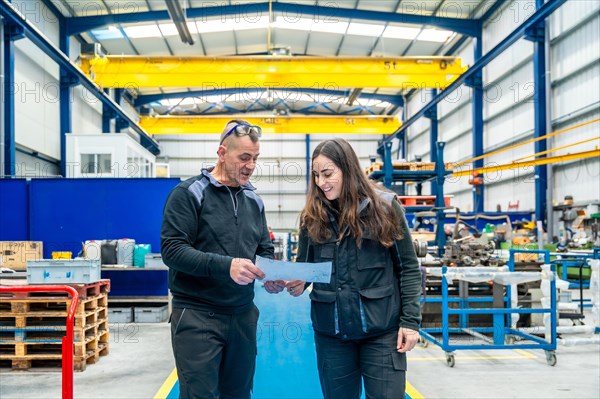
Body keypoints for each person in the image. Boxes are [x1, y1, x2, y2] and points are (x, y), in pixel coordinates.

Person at [285, 138, 422, 399]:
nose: (321, 183)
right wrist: (297, 281)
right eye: (316, 175)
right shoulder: (311, 217)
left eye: (328, 174)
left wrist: (410, 321)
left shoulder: (385, 208)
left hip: (382, 333)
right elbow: (306, 268)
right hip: (332, 334)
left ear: (347, 169)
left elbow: (408, 269)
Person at [160, 119, 284, 399]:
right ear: (222, 153)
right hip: (197, 315)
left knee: (238, 394)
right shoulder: (188, 194)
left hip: (242, 315)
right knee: (200, 395)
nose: (251, 165)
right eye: (244, 157)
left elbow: (264, 247)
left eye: (255, 158)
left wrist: (271, 272)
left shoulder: (254, 200)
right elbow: (173, 250)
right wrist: (226, 266)